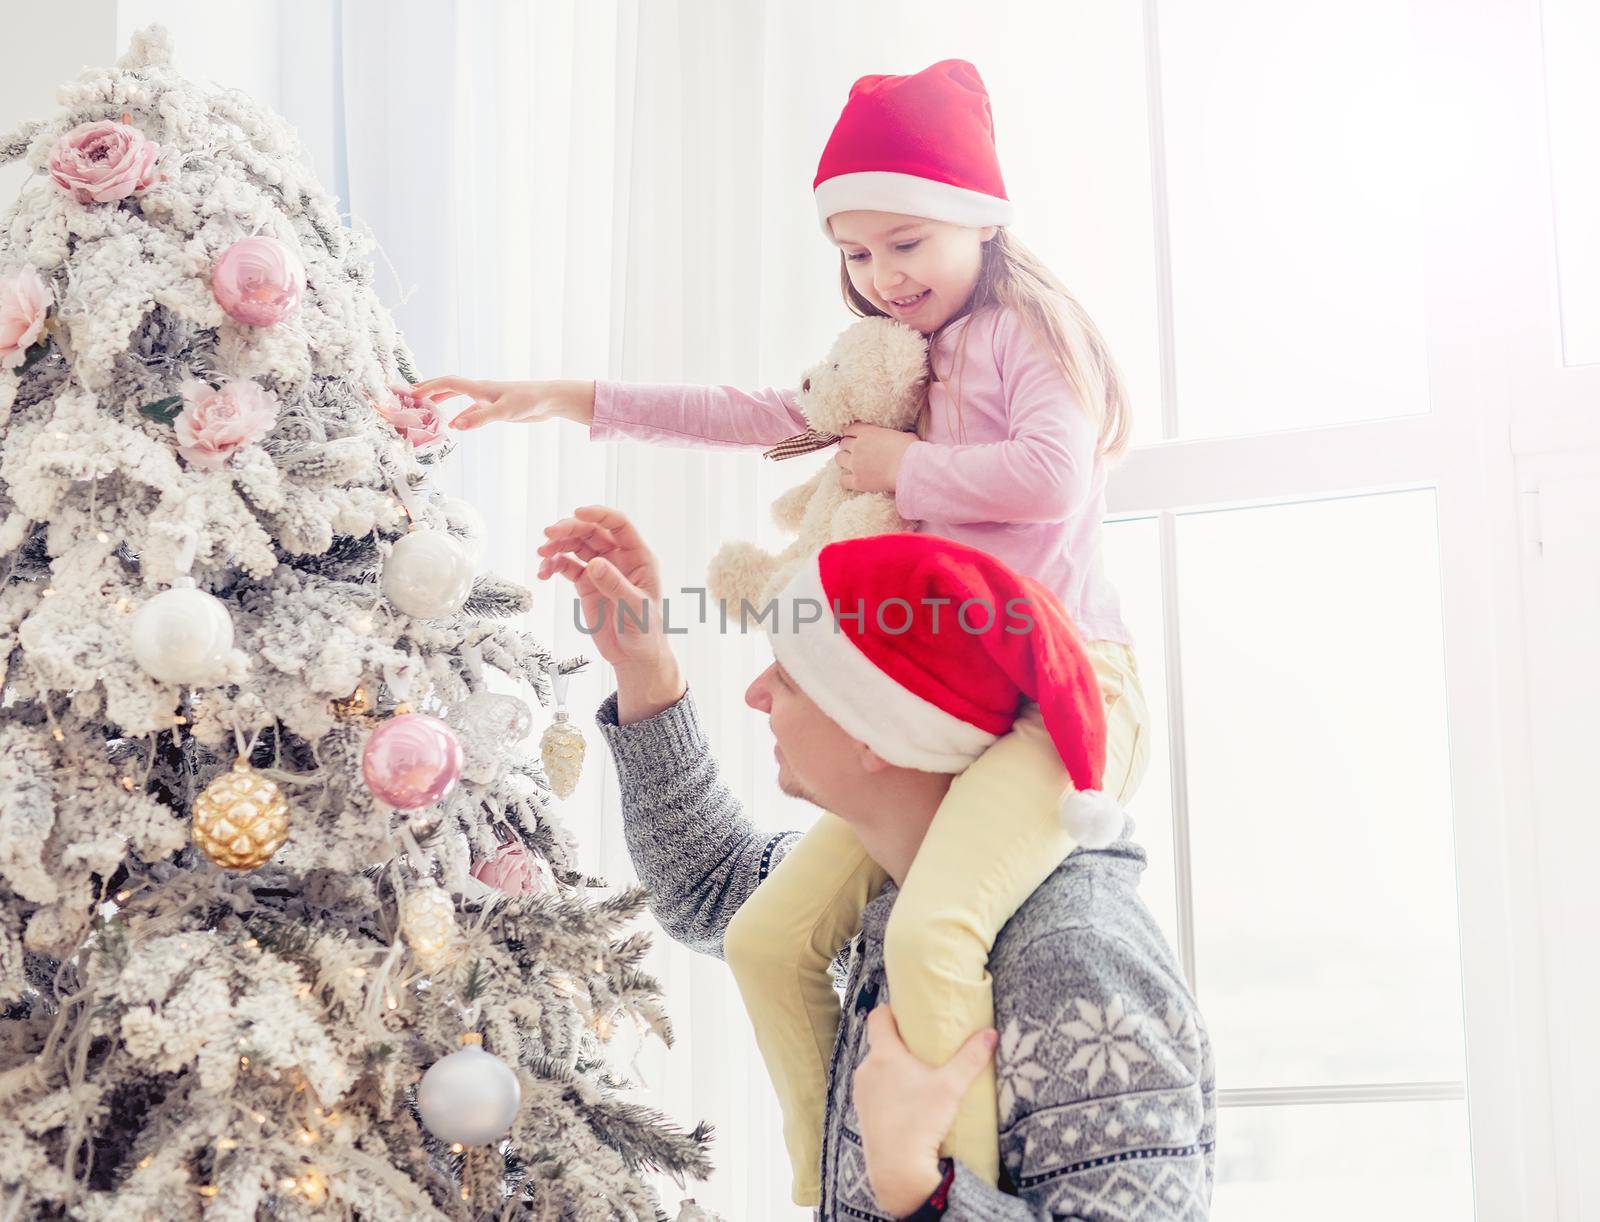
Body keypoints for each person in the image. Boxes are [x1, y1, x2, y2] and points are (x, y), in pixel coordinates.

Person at [417, 59, 1154, 1205]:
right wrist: (558, 397)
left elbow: (1055, 476)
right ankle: (836, 1191)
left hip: (1061, 696)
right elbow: (752, 414)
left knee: (927, 938)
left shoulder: (1022, 337)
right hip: (951, 704)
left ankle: (932, 1183)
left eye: (906, 243)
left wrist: (908, 466)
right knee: (766, 940)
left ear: (981, 219)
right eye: (856, 255)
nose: (882, 277)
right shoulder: (895, 359)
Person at [536, 503, 1213, 1219]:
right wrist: (647, 668)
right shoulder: (882, 896)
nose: (755, 694)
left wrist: (921, 1193)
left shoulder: (1077, 954)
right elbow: (708, 886)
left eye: (790, 680)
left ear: (878, 734)